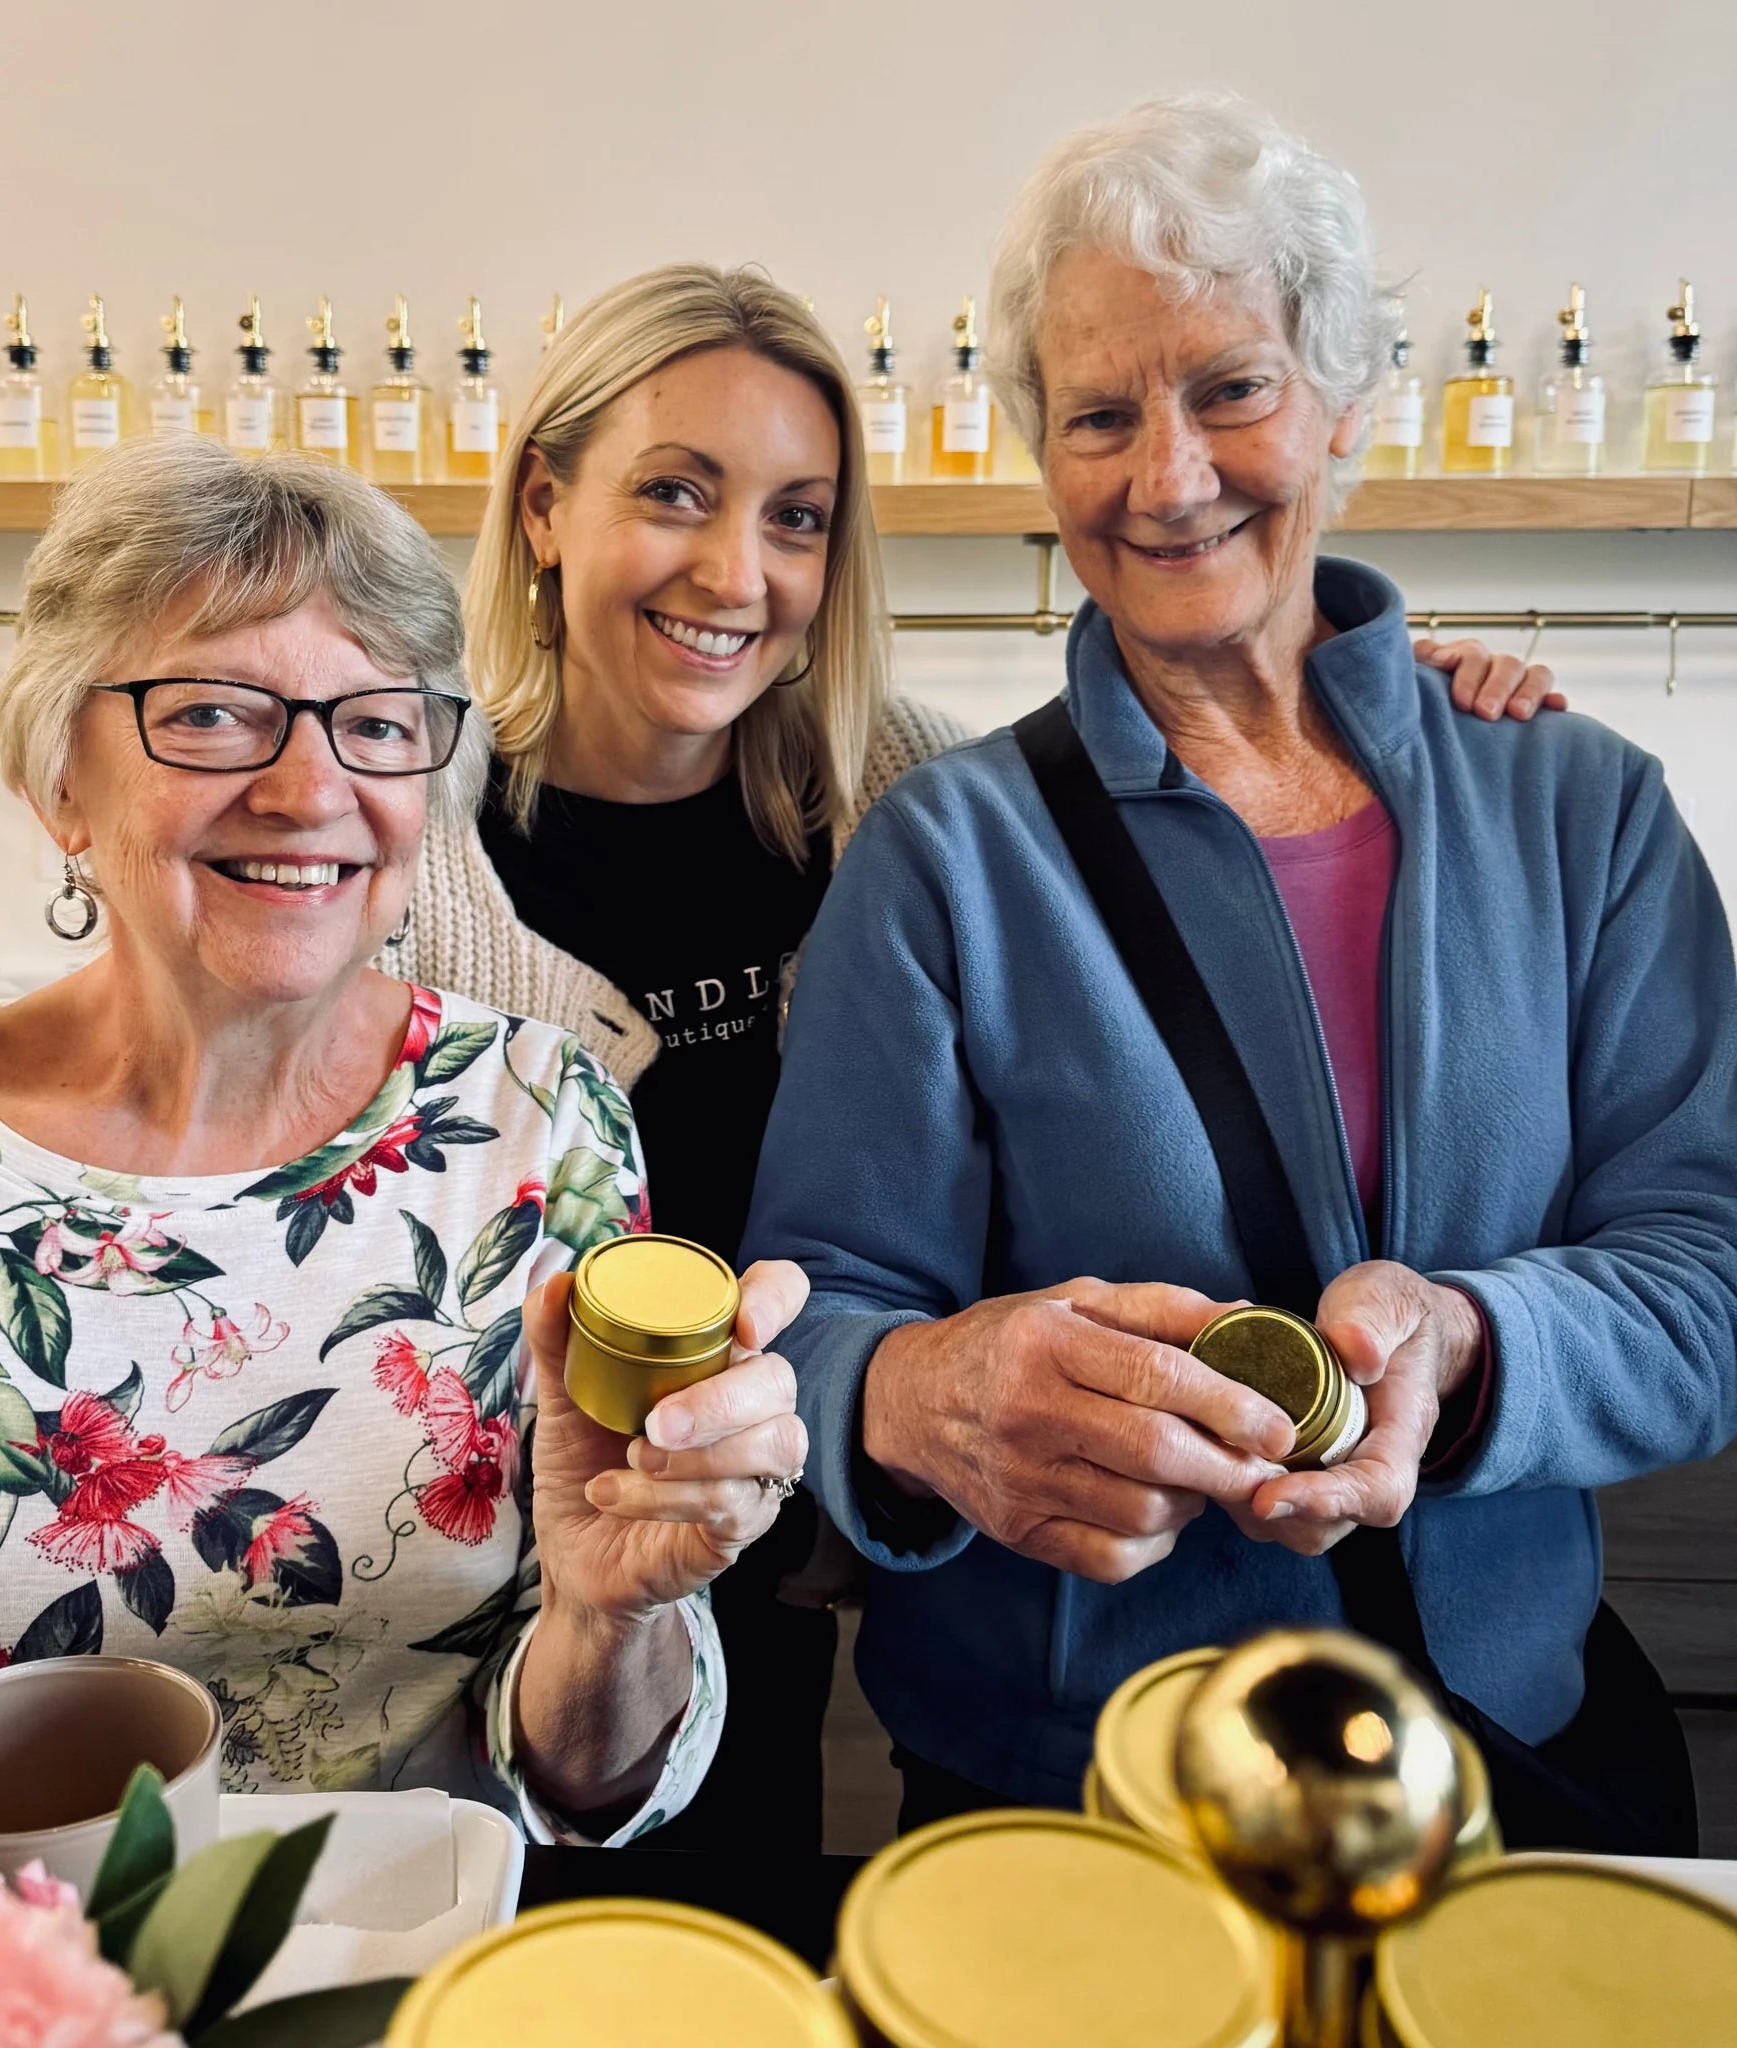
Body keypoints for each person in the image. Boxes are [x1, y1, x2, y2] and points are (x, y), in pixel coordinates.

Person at [0, 269, 1556, 1853]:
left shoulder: (920, 809)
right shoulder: (391, 813)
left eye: (799, 517)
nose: (736, 572)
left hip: (761, 1572)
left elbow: (1196, 791)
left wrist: (1385, 701)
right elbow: (187, 1009)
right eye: (676, 494)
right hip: (480, 1549)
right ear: (546, 506)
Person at [742, 95, 1737, 1842]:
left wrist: (1472, 1341)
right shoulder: (947, 856)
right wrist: (916, 1391)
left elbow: (1708, 1277)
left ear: (1345, 399)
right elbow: (817, 1303)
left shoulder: (1582, 812)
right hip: (1062, 1802)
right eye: (1099, 416)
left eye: (1231, 389)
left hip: (1487, 1752)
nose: (1169, 476)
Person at [0, 437, 811, 1847]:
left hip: (402, 1951)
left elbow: (587, 1784)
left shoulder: (540, 1118)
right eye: (215, 714)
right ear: (60, 782)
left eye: (377, 724)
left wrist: (609, 1617)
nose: (308, 788)